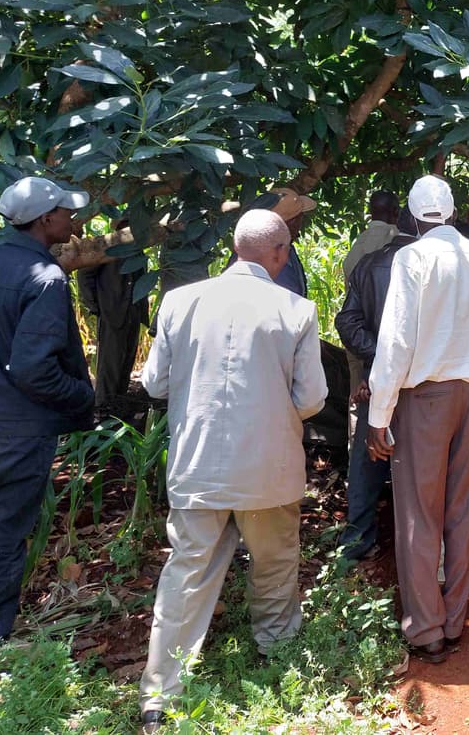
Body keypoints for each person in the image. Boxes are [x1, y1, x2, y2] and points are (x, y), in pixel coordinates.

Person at [138, 209, 327, 733]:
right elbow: (311, 399)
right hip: (267, 469)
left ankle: (160, 695)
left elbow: (155, 384)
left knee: (186, 572)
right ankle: (277, 652)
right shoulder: (296, 310)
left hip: (196, 465)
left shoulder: (179, 302)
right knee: (274, 562)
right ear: (280, 254)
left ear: (234, 247)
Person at [366, 175, 469, 664]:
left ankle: (426, 628)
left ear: (412, 217)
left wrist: (378, 415)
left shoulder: (410, 258)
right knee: (465, 505)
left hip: (423, 398)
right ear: (451, 213)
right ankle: (454, 621)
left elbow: (394, 345)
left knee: (419, 511)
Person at [0, 176, 94, 644]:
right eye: (65, 212)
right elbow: (34, 370)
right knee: (5, 531)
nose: (72, 220)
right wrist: (80, 395)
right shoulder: (47, 279)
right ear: (45, 219)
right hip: (22, 427)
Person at [333, 208, 418, 561]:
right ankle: (415, 546)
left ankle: (357, 541)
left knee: (367, 460)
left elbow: (347, 321)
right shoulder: (431, 268)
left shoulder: (368, 264)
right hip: (420, 383)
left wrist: (380, 359)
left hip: (376, 380)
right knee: (419, 461)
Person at [339, 191, 400, 412]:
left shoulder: (359, 244)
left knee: (358, 399)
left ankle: (357, 443)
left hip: (356, 335)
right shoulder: (395, 239)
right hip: (383, 336)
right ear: (396, 212)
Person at [77, 219, 149, 407]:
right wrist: (96, 305)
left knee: (127, 358)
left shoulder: (137, 250)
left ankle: (118, 402)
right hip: (113, 312)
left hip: (132, 312)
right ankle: (103, 406)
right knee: (110, 363)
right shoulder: (109, 248)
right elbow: (85, 275)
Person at [237, 187, 317, 297]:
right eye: (300, 218)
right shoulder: (266, 257)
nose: (301, 224)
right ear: (291, 222)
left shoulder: (286, 249)